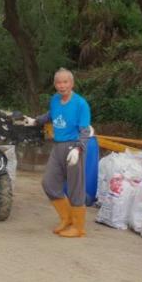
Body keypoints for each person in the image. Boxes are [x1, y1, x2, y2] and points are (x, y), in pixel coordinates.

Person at [31, 68, 92, 238]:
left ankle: (79, 227)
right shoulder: (55, 100)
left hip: (74, 147)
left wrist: (79, 148)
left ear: (71, 84)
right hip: (58, 147)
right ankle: (67, 219)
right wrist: (36, 120)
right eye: (58, 82)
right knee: (49, 183)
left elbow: (85, 130)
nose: (62, 85)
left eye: (65, 82)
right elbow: (52, 115)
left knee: (75, 188)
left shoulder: (80, 103)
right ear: (54, 84)